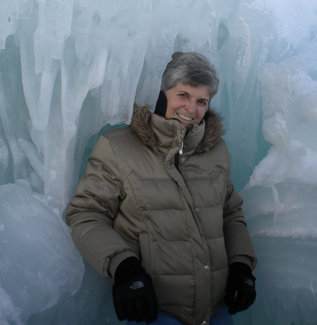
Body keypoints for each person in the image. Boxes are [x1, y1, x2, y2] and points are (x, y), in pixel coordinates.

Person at [66, 52, 257, 325]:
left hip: (216, 309)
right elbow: (86, 215)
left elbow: (230, 213)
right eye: (183, 95)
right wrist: (125, 268)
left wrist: (242, 264)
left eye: (201, 101)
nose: (191, 109)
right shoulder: (117, 147)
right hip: (153, 310)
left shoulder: (216, 151)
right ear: (162, 93)